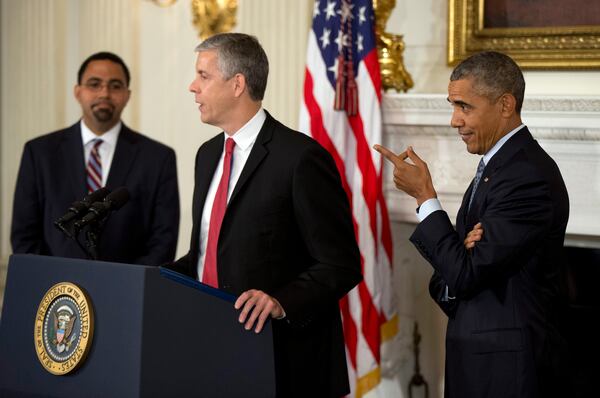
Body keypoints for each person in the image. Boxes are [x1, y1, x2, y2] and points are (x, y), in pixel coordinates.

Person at [168, 33, 361, 396]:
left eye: (203, 76)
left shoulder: (300, 158)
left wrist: (280, 301)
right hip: (212, 349)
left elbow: (341, 264)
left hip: (283, 362)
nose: (192, 87)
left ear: (237, 83)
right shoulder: (207, 155)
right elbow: (208, 253)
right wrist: (152, 277)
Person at [375, 51, 569, 397]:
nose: (454, 120)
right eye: (453, 106)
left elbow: (465, 273)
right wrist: (459, 257)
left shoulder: (527, 175)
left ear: (505, 105)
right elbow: (455, 277)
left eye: (465, 106)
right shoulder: (498, 168)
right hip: (481, 366)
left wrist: (425, 197)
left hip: (508, 374)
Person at [11, 51, 180, 265]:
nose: (105, 93)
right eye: (94, 84)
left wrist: (129, 288)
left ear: (127, 95)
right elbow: (24, 236)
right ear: (78, 92)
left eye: (115, 85)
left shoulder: (158, 158)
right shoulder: (39, 153)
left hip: (128, 292)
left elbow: (163, 241)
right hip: (56, 292)